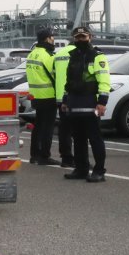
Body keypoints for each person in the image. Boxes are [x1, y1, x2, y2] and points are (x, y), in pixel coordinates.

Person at [56, 26, 110, 182]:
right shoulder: (73, 56)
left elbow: (104, 81)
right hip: (74, 103)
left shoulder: (98, 57)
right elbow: (68, 81)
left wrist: (102, 103)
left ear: (90, 37)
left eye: (83, 36)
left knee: (95, 138)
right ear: (74, 38)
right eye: (78, 37)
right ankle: (81, 169)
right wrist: (66, 101)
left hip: (91, 103)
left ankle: (99, 171)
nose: (80, 39)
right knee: (78, 139)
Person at [26, 28, 59, 166]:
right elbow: (56, 75)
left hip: (36, 95)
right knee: (48, 127)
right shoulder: (48, 56)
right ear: (47, 39)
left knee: (38, 126)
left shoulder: (32, 54)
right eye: (52, 37)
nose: (53, 39)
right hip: (49, 95)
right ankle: (45, 155)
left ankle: (34, 155)